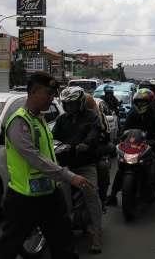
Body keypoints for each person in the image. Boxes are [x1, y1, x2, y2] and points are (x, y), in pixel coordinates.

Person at [0, 72, 92, 259]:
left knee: (63, 242)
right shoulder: (19, 122)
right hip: (24, 199)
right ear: (34, 92)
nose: (52, 98)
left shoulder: (39, 119)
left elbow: (50, 153)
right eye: (48, 93)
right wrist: (69, 176)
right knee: (9, 245)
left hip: (49, 194)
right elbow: (35, 158)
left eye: (53, 94)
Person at [106, 88, 155, 214]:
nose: (140, 105)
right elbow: (125, 128)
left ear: (150, 102)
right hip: (137, 145)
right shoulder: (133, 112)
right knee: (123, 166)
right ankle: (112, 196)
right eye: (138, 102)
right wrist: (121, 138)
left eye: (143, 102)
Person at [53, 87, 103, 254]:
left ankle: (96, 235)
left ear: (80, 103)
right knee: (61, 197)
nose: (69, 107)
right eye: (66, 104)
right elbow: (53, 137)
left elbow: (94, 133)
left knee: (91, 195)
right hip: (65, 166)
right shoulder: (62, 120)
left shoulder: (92, 117)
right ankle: (64, 232)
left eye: (72, 104)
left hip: (85, 164)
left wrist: (86, 144)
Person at [86, 95, 114, 214]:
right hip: (77, 156)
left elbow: (106, 136)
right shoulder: (66, 118)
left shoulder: (99, 116)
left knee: (103, 168)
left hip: (96, 154)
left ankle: (102, 201)